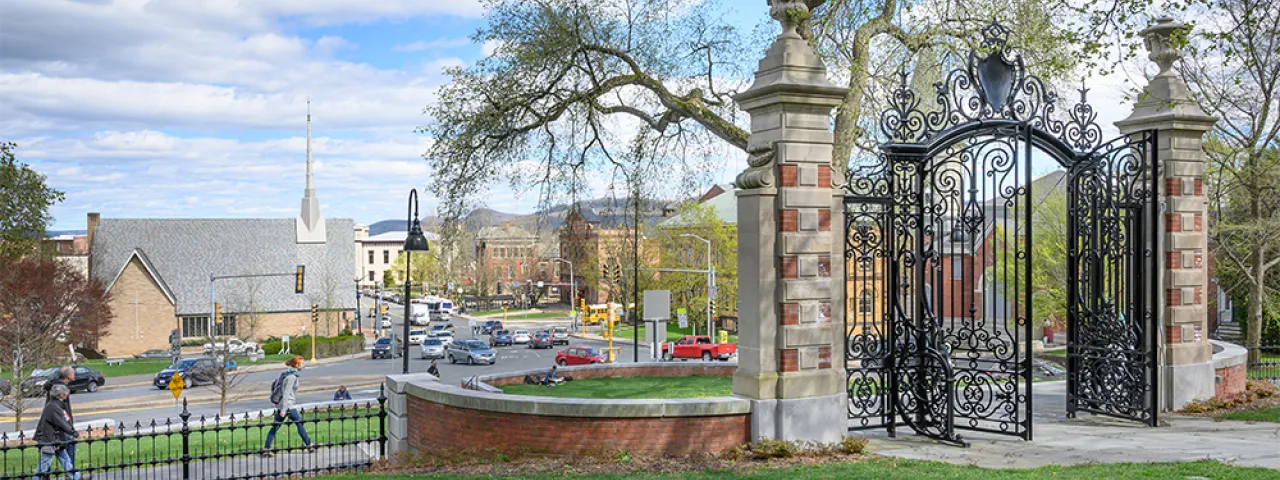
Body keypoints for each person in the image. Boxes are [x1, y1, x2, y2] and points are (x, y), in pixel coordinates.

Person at [262, 356, 314, 457]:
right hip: (288, 406)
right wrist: (284, 409)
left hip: (282, 405)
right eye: (302, 363)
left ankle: (266, 448)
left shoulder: (286, 373)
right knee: (299, 424)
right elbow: (286, 393)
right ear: (297, 365)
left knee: (276, 427)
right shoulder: (292, 377)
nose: (304, 365)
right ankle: (309, 445)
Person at [34, 384, 78, 480]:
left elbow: (64, 420)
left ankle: (76, 477)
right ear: (61, 395)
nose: (67, 395)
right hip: (49, 439)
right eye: (65, 393)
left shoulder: (56, 405)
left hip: (56, 439)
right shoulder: (53, 407)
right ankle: (36, 478)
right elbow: (60, 422)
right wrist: (72, 432)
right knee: (44, 463)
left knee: (65, 459)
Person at [43, 367, 76, 468]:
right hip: (60, 424)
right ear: (69, 376)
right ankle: (72, 474)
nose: (74, 375)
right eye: (73, 373)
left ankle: (45, 475)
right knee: (69, 446)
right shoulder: (61, 389)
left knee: (54, 452)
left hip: (52, 424)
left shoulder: (53, 385)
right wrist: (70, 426)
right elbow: (64, 410)